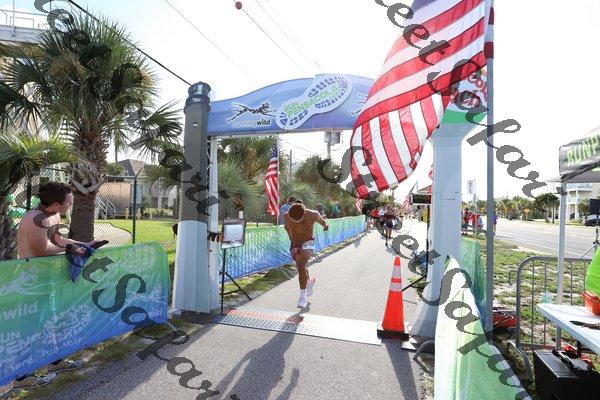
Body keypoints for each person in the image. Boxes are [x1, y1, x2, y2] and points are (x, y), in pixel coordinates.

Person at [14, 182, 100, 389]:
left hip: (46, 278)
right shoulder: (36, 219)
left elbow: (56, 239)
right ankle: (20, 379)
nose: (71, 204)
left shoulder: (53, 216)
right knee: (31, 328)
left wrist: (82, 245)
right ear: (55, 203)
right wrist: (71, 249)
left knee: (49, 322)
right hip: (31, 281)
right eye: (69, 202)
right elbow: (42, 249)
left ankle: (54, 363)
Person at [284, 203, 329, 309]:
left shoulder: (313, 214)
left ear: (304, 213)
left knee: (301, 267)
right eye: (293, 219)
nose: (296, 221)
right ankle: (310, 281)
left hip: (308, 242)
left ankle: (302, 297)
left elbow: (323, 221)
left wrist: (325, 226)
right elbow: (287, 227)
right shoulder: (286, 216)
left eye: (298, 219)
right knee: (302, 268)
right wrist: (290, 236)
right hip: (295, 244)